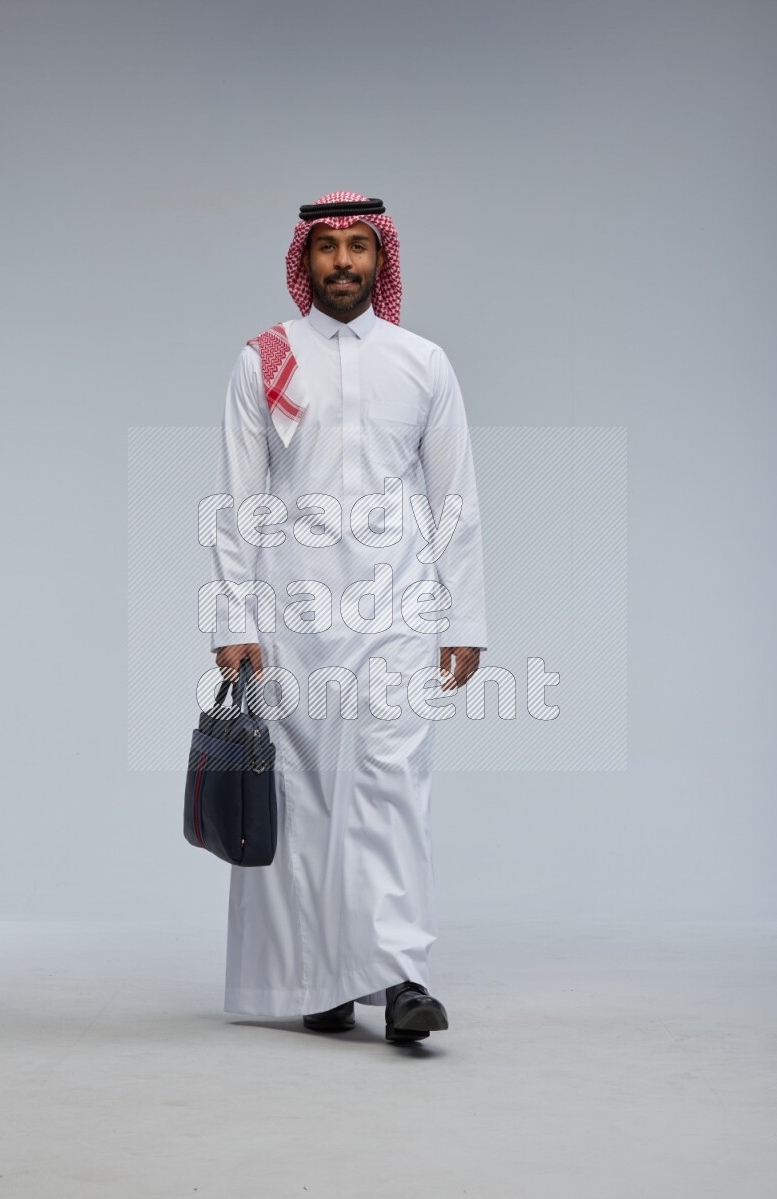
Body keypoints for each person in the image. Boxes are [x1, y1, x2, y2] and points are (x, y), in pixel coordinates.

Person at [209, 191, 488, 1043]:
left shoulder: (423, 361)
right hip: (292, 608)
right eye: (326, 246)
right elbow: (235, 502)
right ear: (306, 258)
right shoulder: (265, 360)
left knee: (392, 784)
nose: (341, 261)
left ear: (380, 258)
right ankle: (318, 979)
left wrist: (463, 617)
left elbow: (456, 498)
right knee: (301, 796)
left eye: (357, 246)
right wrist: (232, 616)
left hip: (396, 607)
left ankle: (401, 976)